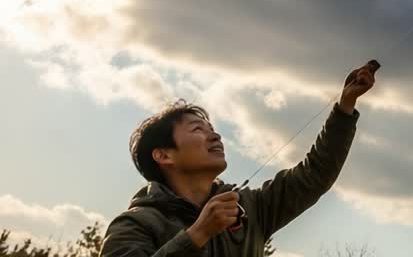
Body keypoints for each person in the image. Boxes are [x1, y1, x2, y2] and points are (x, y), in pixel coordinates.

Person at [98, 61, 378, 256]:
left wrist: (345, 106)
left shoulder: (250, 208)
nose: (215, 136)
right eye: (198, 129)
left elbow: (315, 175)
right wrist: (196, 235)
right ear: (163, 155)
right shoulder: (134, 226)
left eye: (213, 129)